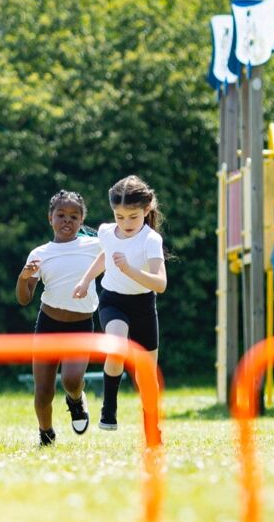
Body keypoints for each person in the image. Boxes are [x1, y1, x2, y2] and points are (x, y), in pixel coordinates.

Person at [71, 175, 167, 430]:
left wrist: (129, 270)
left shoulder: (151, 240)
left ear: (146, 209)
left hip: (143, 307)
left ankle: (152, 426)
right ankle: (109, 409)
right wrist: (85, 280)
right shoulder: (106, 231)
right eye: (119, 216)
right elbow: (105, 256)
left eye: (133, 217)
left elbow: (160, 283)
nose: (126, 223)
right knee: (117, 346)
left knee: (147, 374)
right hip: (113, 301)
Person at [17, 190, 101, 446]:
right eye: (61, 215)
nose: (67, 220)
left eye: (74, 216)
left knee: (71, 380)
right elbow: (24, 298)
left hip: (81, 325)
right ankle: (46, 433)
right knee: (43, 391)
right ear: (50, 218)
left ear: (82, 220)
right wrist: (23, 277)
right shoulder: (39, 253)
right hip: (48, 325)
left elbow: (122, 245)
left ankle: (76, 400)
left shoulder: (96, 246)